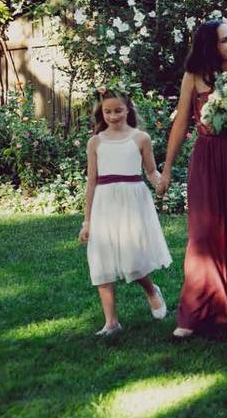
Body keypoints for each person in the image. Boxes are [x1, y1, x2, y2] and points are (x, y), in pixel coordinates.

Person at [158, 19, 227, 340]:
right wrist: (167, 167)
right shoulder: (195, 76)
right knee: (203, 232)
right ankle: (194, 310)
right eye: (224, 40)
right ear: (209, 46)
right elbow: (180, 123)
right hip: (207, 158)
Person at [79, 85, 172, 337]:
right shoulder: (95, 142)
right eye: (107, 112)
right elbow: (92, 181)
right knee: (101, 258)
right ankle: (111, 322)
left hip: (132, 199)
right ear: (101, 113)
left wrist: (160, 182)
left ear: (128, 109)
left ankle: (152, 291)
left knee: (133, 257)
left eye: (118, 110)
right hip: (104, 201)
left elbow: (151, 171)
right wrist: (87, 220)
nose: (113, 116)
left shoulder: (140, 138)